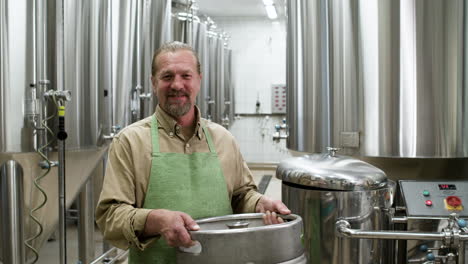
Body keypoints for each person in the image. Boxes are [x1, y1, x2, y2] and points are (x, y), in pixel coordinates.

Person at [96, 41, 290, 263]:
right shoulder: (131, 141)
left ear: (199, 79)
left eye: (186, 76)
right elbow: (110, 217)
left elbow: (241, 195)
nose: (177, 85)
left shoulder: (223, 139)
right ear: (153, 82)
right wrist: (154, 220)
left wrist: (259, 204)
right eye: (167, 76)